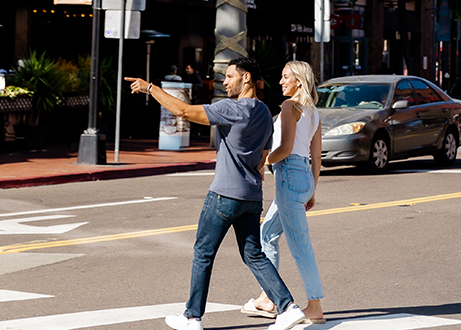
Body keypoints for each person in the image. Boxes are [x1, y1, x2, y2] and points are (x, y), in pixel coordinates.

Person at [125, 58, 307, 330]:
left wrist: (150, 88)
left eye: (230, 76)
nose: (225, 81)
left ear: (246, 78)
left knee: (203, 253)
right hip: (251, 196)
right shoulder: (264, 112)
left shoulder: (232, 108)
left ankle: (192, 317)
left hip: (224, 195)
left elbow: (184, 112)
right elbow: (263, 158)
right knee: (254, 254)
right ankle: (288, 307)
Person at [243, 61, 325, 324]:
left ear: (299, 82)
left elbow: (286, 148)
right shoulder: (313, 111)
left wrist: (265, 161)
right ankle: (268, 298)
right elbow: (315, 155)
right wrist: (312, 187)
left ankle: (315, 306)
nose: (280, 81)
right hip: (301, 178)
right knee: (267, 233)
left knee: (301, 247)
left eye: (285, 77)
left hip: (289, 174)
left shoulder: (290, 106)